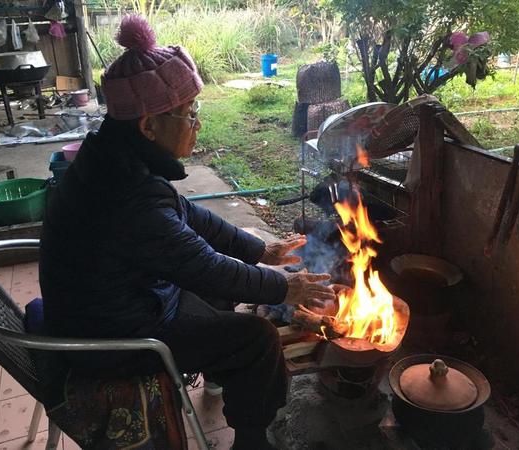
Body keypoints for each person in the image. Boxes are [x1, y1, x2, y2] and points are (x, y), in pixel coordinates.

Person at [39, 14, 335, 450]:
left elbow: (187, 215)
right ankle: (252, 440)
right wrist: (285, 288)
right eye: (189, 113)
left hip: (112, 302)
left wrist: (261, 251)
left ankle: (218, 376)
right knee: (257, 338)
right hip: (113, 338)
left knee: (219, 293)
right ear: (148, 126)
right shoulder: (126, 194)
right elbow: (203, 266)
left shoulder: (112, 155)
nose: (197, 124)